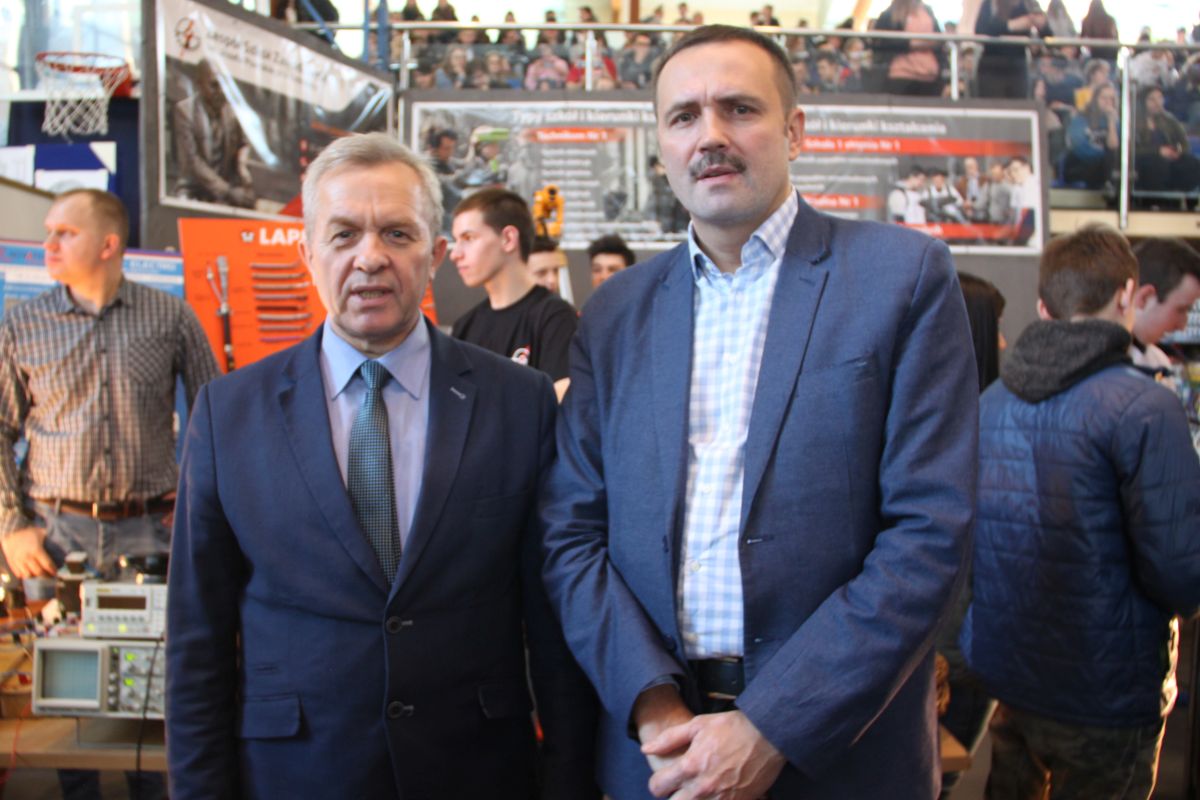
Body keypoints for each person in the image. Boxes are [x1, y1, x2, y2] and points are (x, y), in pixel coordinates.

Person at [540, 24, 978, 799]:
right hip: (660, 754)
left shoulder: (903, 277)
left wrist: (774, 726)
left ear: (795, 130)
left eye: (739, 108)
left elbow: (931, 533)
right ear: (662, 148)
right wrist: (655, 711)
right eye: (683, 116)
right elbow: (571, 533)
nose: (710, 135)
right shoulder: (614, 313)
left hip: (840, 750)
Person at [165, 133, 591, 799]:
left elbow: (554, 622)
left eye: (397, 233)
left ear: (435, 254)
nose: (370, 257)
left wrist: (570, 783)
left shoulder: (520, 401)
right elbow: (199, 639)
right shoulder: (230, 415)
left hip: (476, 773)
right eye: (343, 235)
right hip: (296, 776)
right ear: (308, 254)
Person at [961, 224, 1200, 800]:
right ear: (1127, 294)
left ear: (1045, 305)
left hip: (1011, 677)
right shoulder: (1146, 406)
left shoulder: (990, 404)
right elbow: (1181, 573)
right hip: (1106, 691)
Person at [1, 189, 220, 800]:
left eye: (64, 233)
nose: (48, 244)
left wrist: (195, 506)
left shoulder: (170, 317)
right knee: (66, 694)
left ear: (108, 244)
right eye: (49, 231)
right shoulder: (22, 324)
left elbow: (215, 415)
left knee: (149, 690)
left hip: (150, 532)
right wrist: (11, 525)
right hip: (53, 536)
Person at [449, 188, 578, 401]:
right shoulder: (465, 327)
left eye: (469, 238)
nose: (455, 254)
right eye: (456, 240)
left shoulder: (555, 317)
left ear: (508, 239)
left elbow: (560, 399)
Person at [172, 59, 255, 208]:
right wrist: (228, 191)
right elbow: (192, 161)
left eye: (224, 85)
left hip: (226, 190)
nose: (221, 91)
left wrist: (242, 164)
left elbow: (245, 143)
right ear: (199, 84)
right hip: (194, 189)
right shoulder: (185, 111)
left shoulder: (232, 112)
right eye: (214, 85)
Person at [1130, 237, 1200, 370]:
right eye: (1181, 309)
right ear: (1144, 298)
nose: (1183, 326)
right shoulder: (1096, 362)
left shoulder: (1158, 361)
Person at [974, 0, 1050, 98]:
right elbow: (981, 30)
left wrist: (1042, 25)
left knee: (1019, 104)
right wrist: (1011, 25)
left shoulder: (1028, 3)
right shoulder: (989, 3)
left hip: (1018, 67)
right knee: (992, 104)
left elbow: (1047, 34)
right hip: (991, 66)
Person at [1134, 86, 1200, 196]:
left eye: (1160, 98)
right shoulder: (1133, 121)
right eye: (1152, 99)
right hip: (1144, 160)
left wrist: (1177, 152)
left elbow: (1184, 144)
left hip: (1169, 159)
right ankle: (1157, 200)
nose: (1157, 103)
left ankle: (1183, 199)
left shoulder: (1169, 120)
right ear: (1142, 102)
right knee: (1157, 165)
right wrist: (1158, 151)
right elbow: (1132, 150)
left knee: (1192, 163)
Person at [872, 0, 944, 97]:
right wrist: (911, 44)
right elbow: (880, 41)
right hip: (900, 75)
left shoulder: (927, 10)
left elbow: (939, 39)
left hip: (930, 75)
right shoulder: (890, 14)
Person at [1064, 81, 1119, 189]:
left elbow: (1114, 147)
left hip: (1105, 166)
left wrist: (1111, 123)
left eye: (1112, 99)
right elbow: (1078, 146)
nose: (1108, 102)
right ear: (1095, 99)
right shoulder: (1080, 119)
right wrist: (1103, 157)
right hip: (1080, 164)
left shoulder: (1115, 121)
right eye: (1104, 98)